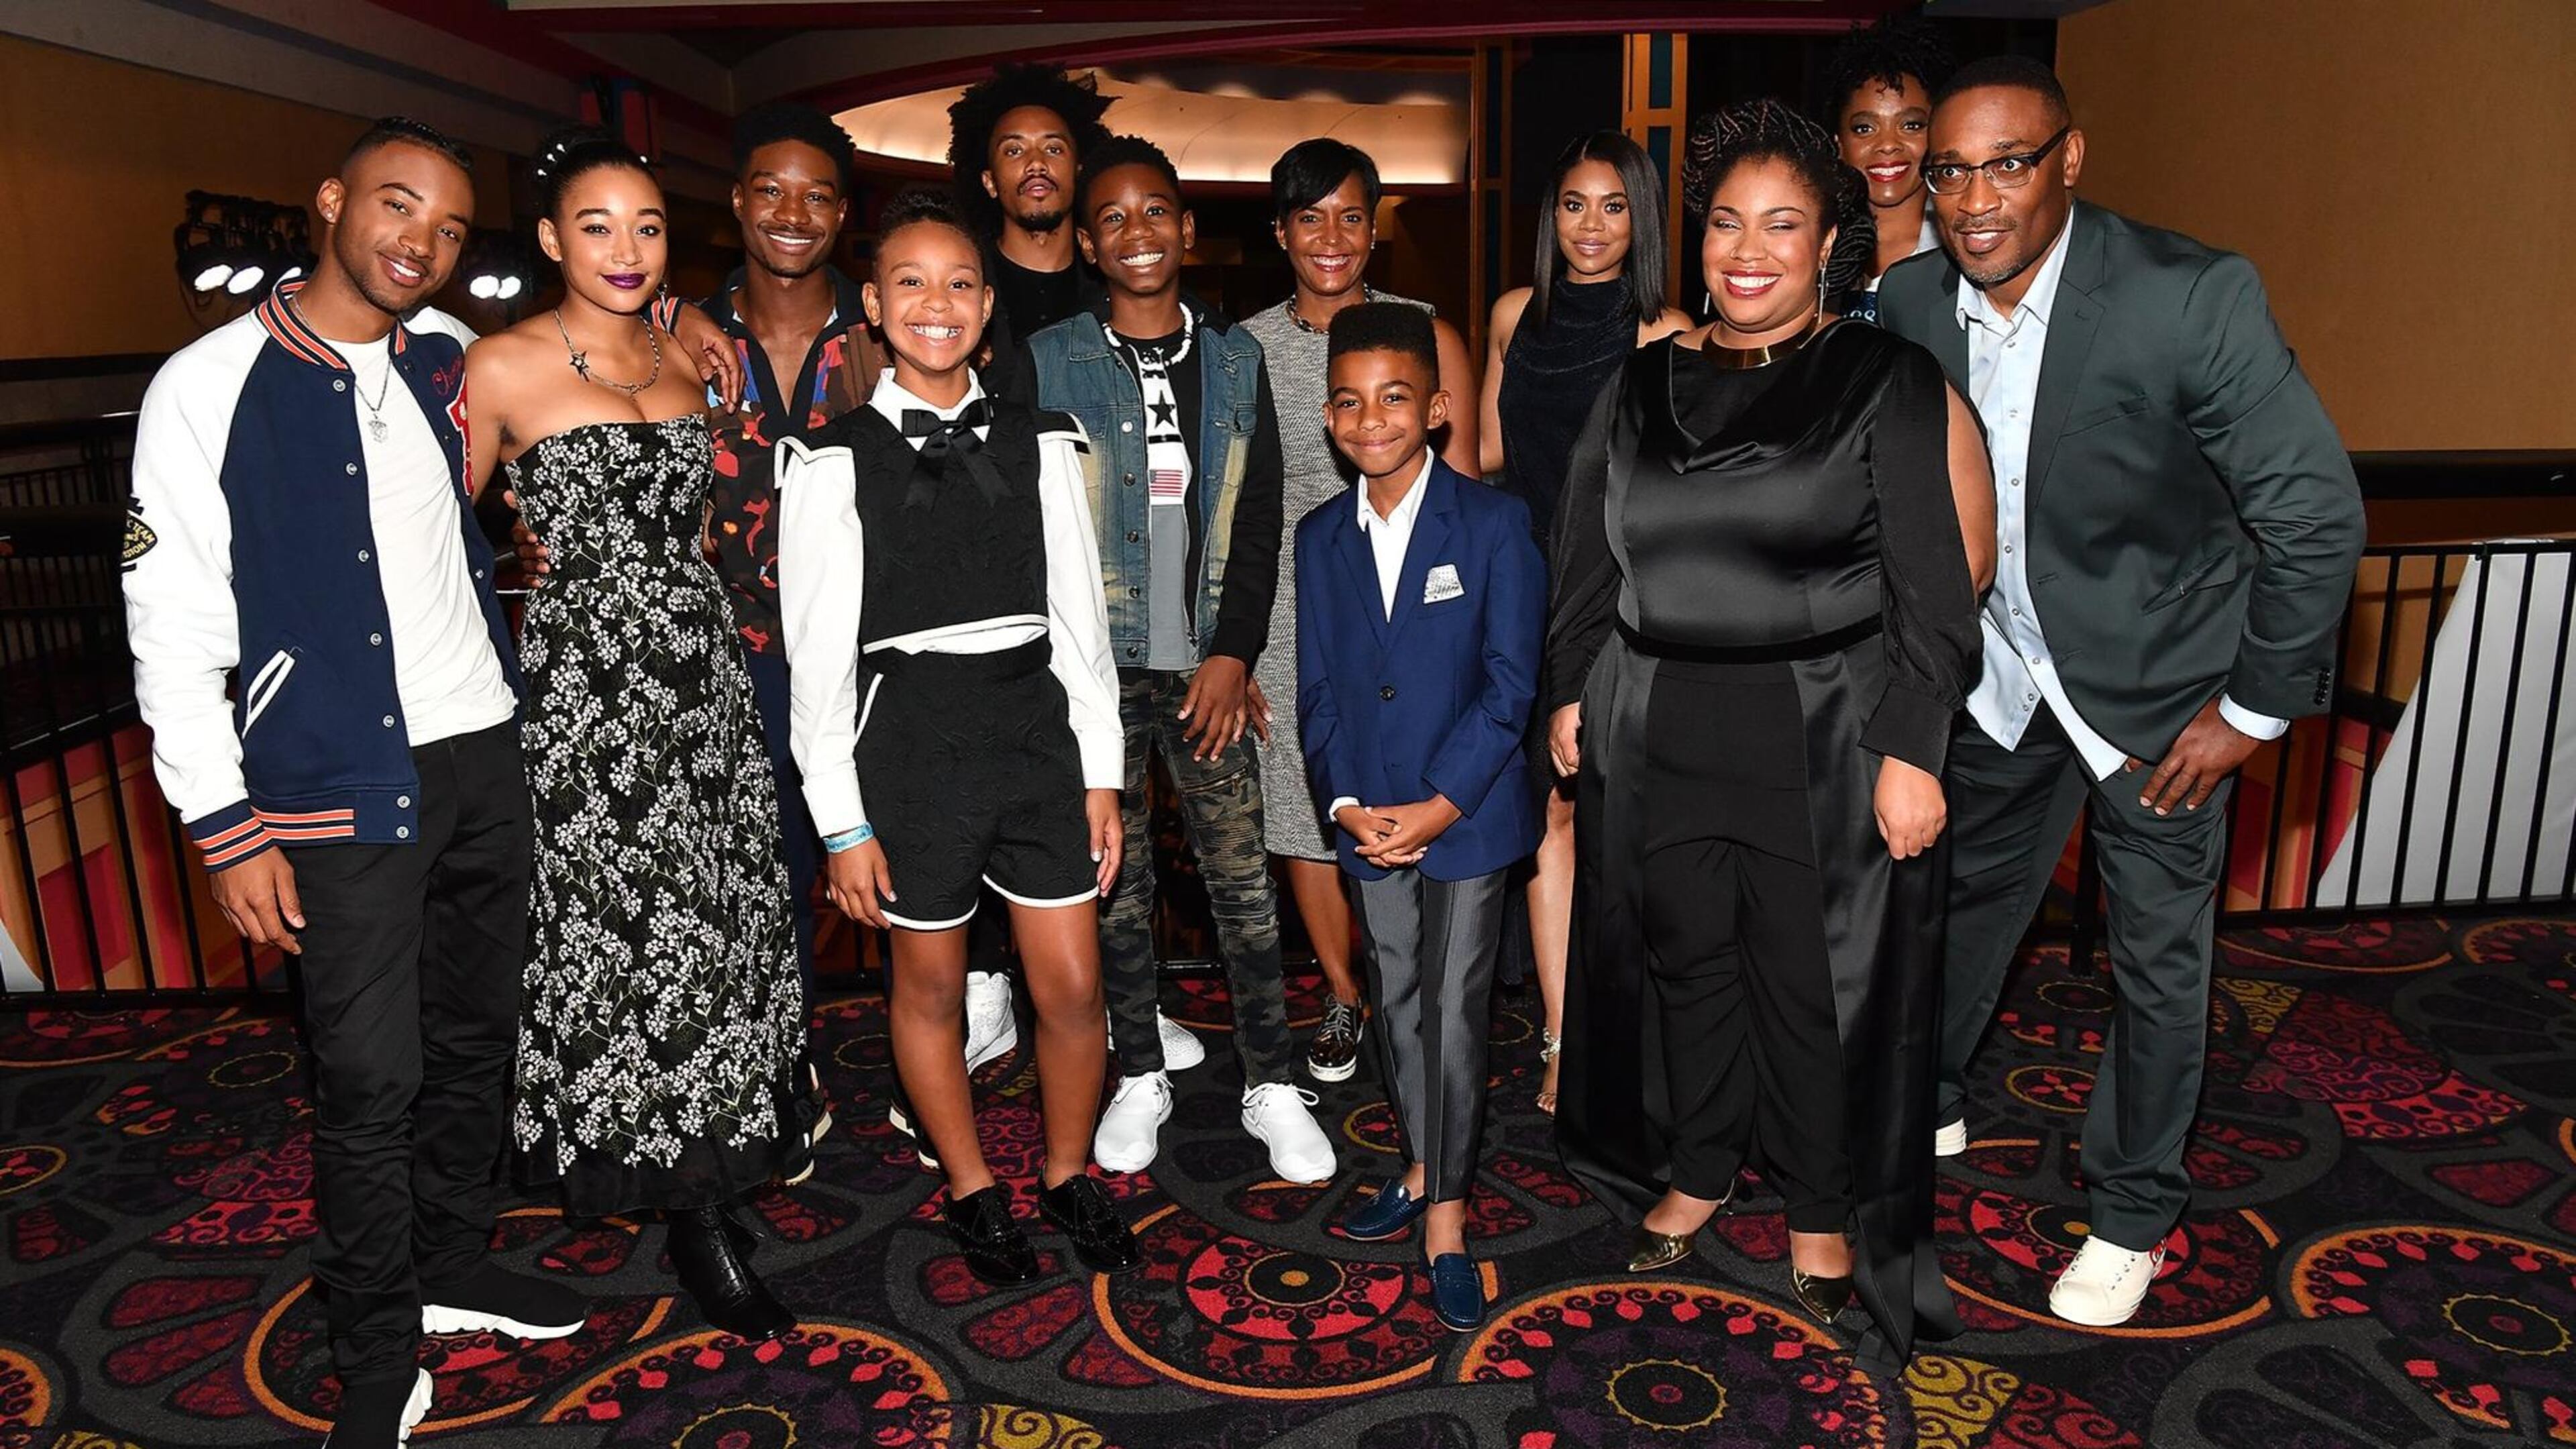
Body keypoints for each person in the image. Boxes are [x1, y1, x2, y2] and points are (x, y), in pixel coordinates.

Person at [1876, 57, 2364, 1328]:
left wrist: (2253, 711)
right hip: (1999, 681)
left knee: (2157, 963)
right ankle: (1925, 1093)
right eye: (1950, 170)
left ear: (2069, 162)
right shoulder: (1910, 300)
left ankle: (2136, 1209)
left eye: (2008, 164)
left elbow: (2313, 512)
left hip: (2159, 699)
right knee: (1962, 911)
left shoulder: (2187, 296)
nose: (1975, 197)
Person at [122, 117, 586, 1446]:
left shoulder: (448, 361)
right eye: (396, 208)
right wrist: (222, 823)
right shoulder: (207, 385)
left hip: (485, 754)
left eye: (446, 229)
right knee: (367, 1080)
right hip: (332, 783)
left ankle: (451, 1259)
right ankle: (374, 1340)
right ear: (330, 202)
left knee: (478, 1044)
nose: (418, 245)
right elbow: (171, 622)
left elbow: (486, 496)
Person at [1546, 99, 1994, 1374]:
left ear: (1829, 245)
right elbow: (1587, 557)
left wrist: (1914, 745)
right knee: (1688, 959)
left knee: (1809, 982)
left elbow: (1932, 586)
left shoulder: (1886, 381)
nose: (1750, 249)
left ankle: (1815, 1205)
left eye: (1783, 224)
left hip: (1822, 727)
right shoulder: (1640, 381)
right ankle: (1696, 1167)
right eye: (1729, 222)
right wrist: (1570, 690)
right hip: (1658, 719)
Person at [466, 128, 813, 1344]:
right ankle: (693, 1209)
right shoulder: (497, 367)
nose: (624, 248)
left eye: (649, 226)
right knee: (629, 939)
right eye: (597, 226)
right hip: (588, 704)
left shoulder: (686, 352)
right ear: (553, 239)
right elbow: (434, 541)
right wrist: (518, 571)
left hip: (703, 682)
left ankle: (712, 1165)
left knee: (718, 930)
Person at [779, 191, 1141, 1286]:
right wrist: (840, 822)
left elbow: (1084, 628)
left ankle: (1069, 1172)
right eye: (911, 283)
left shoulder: (1045, 441)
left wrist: (1102, 777)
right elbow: (818, 668)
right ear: (876, 310)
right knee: (930, 988)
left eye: (960, 284)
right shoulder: (830, 463)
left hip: (1033, 732)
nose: (937, 303)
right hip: (911, 745)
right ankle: (974, 1184)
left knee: (1074, 987)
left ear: (987, 310)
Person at [514, 106, 849, 1162]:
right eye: (767, 190)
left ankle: (822, 1086)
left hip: (807, 665)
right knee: (679, 900)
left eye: (647, 227)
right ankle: (706, 1106)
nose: (792, 212)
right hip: (668, 670)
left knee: (810, 888)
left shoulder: (869, 327)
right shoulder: (627, 344)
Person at [1024, 135, 1337, 1183]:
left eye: (1155, 211)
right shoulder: (1051, 359)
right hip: (1095, 670)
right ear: (1086, 242)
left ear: (1188, 229)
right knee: (1114, 886)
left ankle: (1270, 1077)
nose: (1137, 232)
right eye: (1111, 217)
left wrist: (1236, 654)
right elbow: (1038, 531)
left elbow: (1257, 528)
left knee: (1242, 882)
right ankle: (1141, 1069)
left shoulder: (1238, 358)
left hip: (1206, 665)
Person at [1297, 303, 1543, 1332]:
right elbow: (1318, 691)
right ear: (1329, 416)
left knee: (1451, 1009)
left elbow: (1510, 686)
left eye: (1395, 398)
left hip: (1467, 817)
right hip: (1370, 823)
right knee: (1397, 1003)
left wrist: (1439, 805)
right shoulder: (1317, 538)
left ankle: (1445, 1217)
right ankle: (1417, 1160)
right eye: (1349, 402)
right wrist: (1348, 805)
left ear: (1437, 410)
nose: (1372, 419)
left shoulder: (1491, 524)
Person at [1240, 138, 1481, 1085]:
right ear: (1281, 233)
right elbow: (1238, 517)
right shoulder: (1248, 349)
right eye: (1310, 217)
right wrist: (1240, 651)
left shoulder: (1425, 330)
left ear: (1374, 225)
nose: (1332, 237)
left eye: (1351, 215)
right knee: (1306, 811)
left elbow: (1466, 503)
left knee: (1414, 793)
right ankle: (1346, 995)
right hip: (1297, 614)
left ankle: (1412, 986)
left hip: (1414, 605)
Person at [1475, 131, 1688, 1114]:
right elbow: (1486, 456)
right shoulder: (1516, 316)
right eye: (1572, 203)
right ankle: (1564, 1039)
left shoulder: (1672, 336)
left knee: (1628, 828)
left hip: (1621, 601)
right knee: (1547, 816)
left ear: (1641, 218)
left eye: (1613, 206)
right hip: (1522, 589)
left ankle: (1641, 1033)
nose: (1590, 226)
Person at [949, 62, 1116, 402]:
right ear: (990, 182)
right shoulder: (958, 286)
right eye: (1014, 150)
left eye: (1053, 149)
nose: (1036, 164)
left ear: (1079, 172)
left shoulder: (1116, 286)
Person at [1821, 15, 1953, 324]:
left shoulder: (1967, 246)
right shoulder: (1811, 245)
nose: (1888, 144)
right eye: (1865, 128)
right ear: (1839, 145)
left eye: (1911, 125)